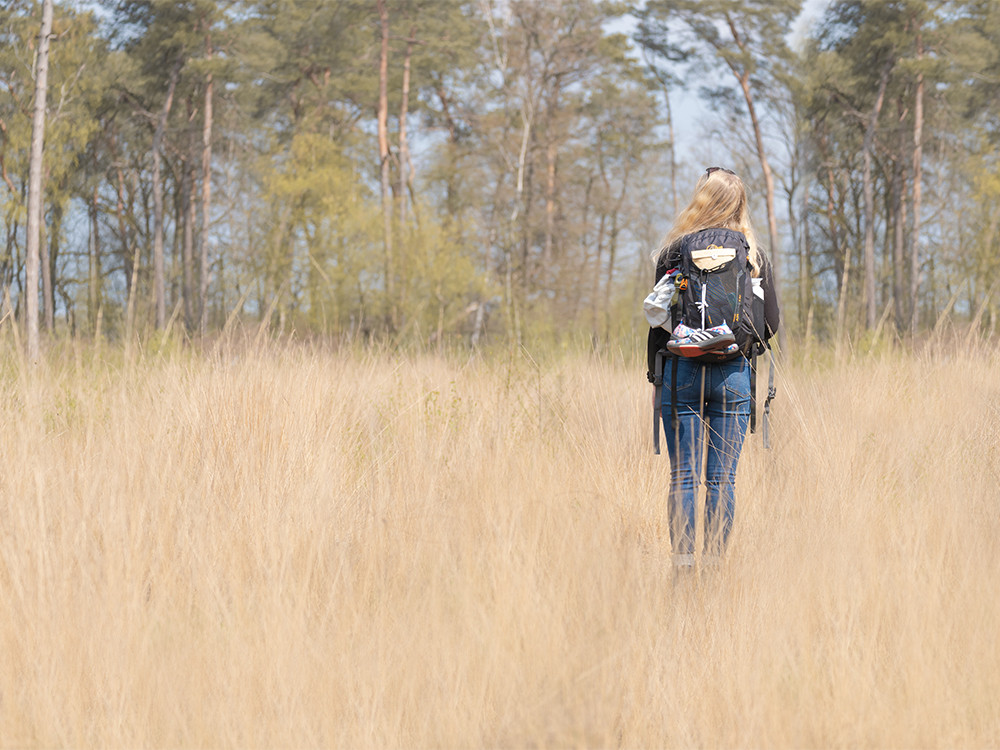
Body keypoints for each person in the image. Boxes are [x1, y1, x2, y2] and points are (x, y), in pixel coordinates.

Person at [646, 167, 780, 570]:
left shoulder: (674, 252)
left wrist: (657, 379)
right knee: (722, 480)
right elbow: (770, 323)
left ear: (700, 201)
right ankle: (714, 571)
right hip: (734, 374)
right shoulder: (753, 255)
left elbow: (656, 323)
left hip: (680, 374)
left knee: (684, 478)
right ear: (740, 205)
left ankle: (683, 570)